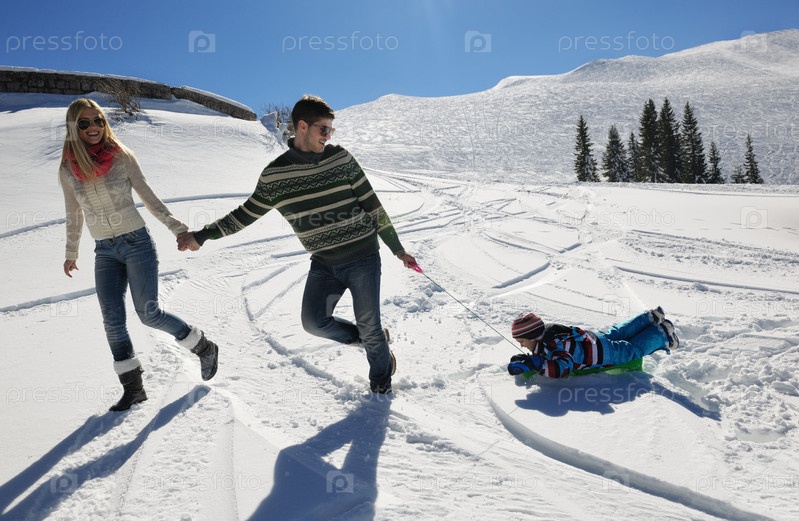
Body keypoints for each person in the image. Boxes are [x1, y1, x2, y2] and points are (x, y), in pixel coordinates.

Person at [177, 95, 416, 394]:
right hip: (324, 263)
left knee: (368, 323)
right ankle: (374, 341)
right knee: (314, 322)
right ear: (302, 126)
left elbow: (373, 206)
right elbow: (245, 215)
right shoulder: (275, 176)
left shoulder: (341, 159)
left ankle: (381, 384)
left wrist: (397, 249)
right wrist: (201, 236)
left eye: (331, 130)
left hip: (363, 257)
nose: (328, 136)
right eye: (324, 129)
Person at [59, 98, 219, 412]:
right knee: (112, 321)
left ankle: (203, 347)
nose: (93, 127)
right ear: (73, 127)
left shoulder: (121, 156)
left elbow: (149, 198)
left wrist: (179, 230)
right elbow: (73, 213)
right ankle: (133, 390)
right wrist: (71, 251)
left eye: (98, 120)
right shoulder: (67, 168)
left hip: (136, 244)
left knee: (149, 313)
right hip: (104, 251)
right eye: (84, 123)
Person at [507, 307, 679, 378]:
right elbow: (546, 351)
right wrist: (528, 359)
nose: (521, 345)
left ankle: (662, 333)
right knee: (619, 332)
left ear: (534, 337)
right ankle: (649, 317)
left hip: (603, 354)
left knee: (632, 350)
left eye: (522, 341)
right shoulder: (548, 332)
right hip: (594, 338)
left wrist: (537, 363)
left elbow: (563, 367)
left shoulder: (554, 345)